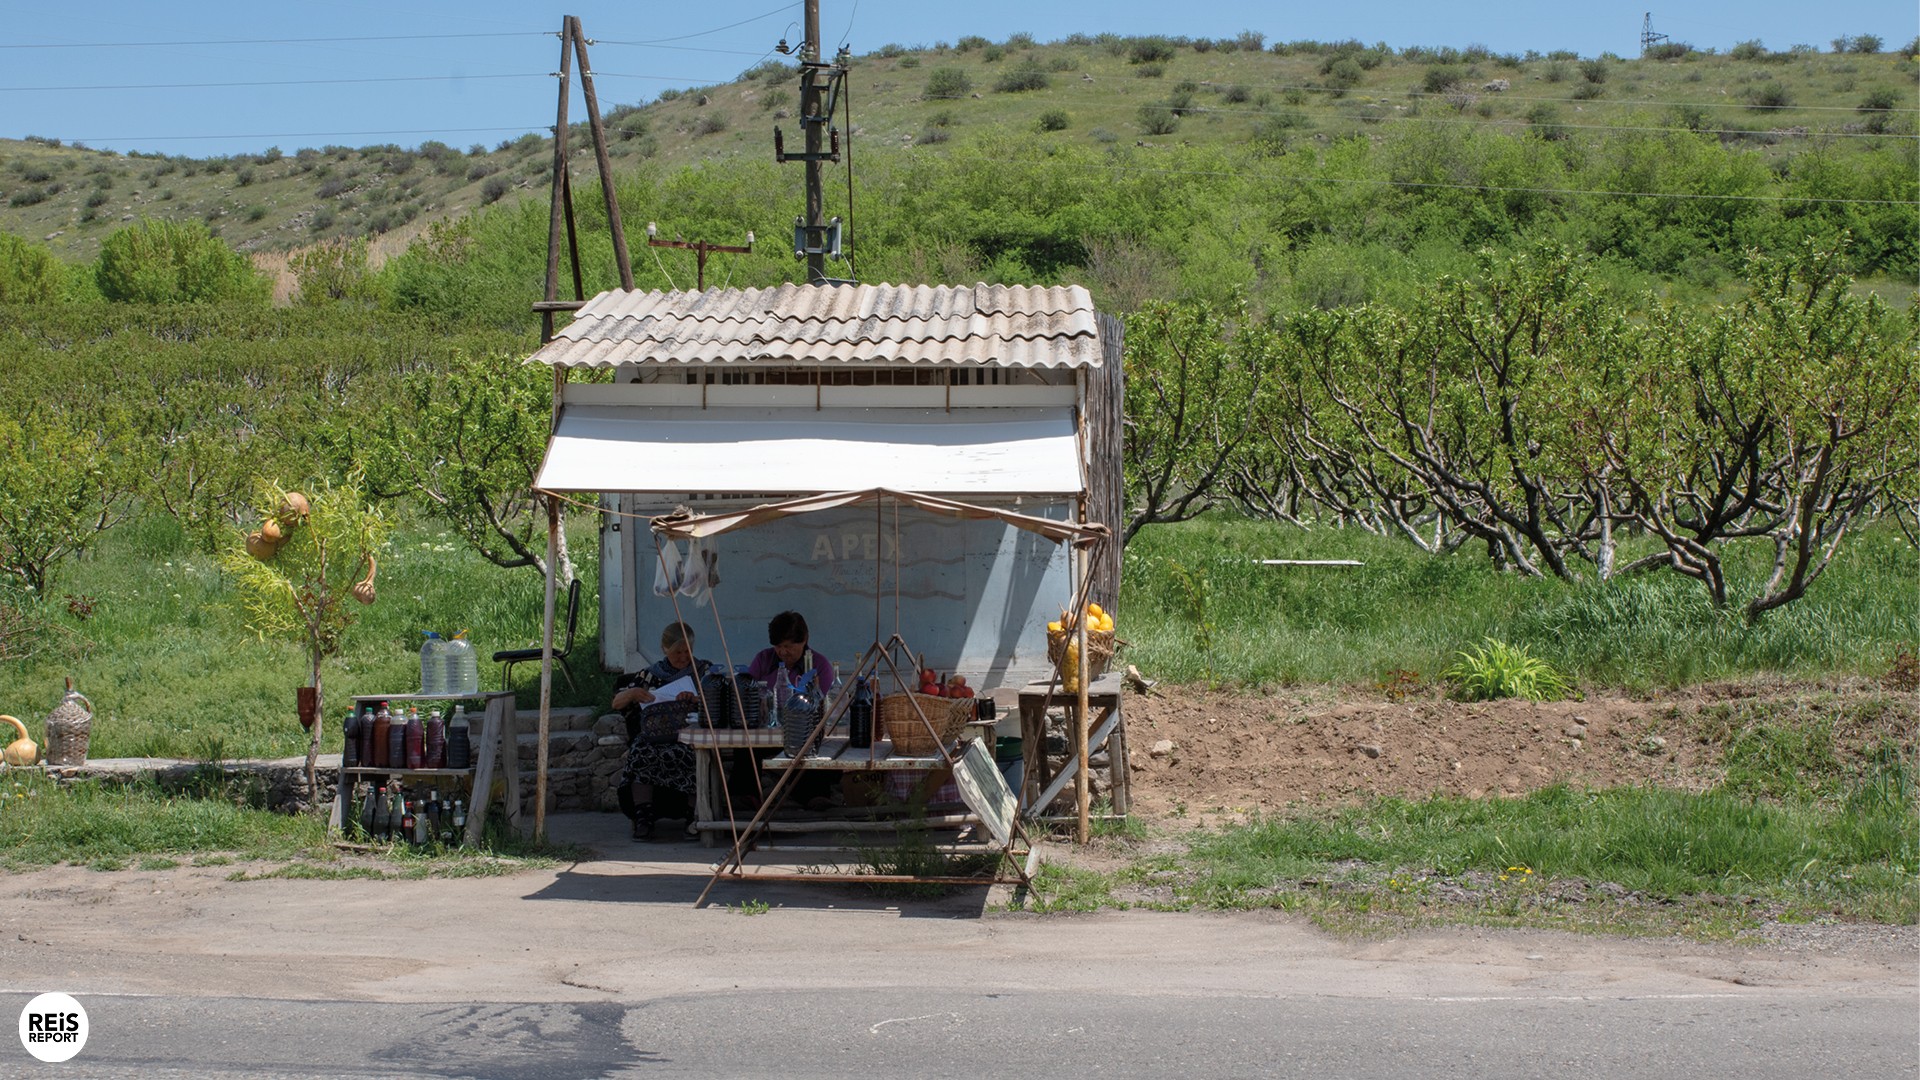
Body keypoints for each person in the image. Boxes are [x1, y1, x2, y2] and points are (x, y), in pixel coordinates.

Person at [612, 622, 713, 840]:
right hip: (655, 736)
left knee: (692, 754)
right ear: (664, 649)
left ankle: (693, 816)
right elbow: (617, 703)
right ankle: (643, 817)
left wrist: (695, 699)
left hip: (689, 735)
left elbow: (718, 699)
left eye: (687, 651)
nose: (683, 656)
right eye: (678, 652)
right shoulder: (649, 676)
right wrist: (634, 693)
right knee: (641, 752)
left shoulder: (704, 671)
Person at [746, 610, 835, 696]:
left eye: (788, 646)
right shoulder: (763, 660)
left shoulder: (820, 666)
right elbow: (746, 691)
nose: (783, 652)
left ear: (804, 640)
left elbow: (825, 705)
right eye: (778, 646)